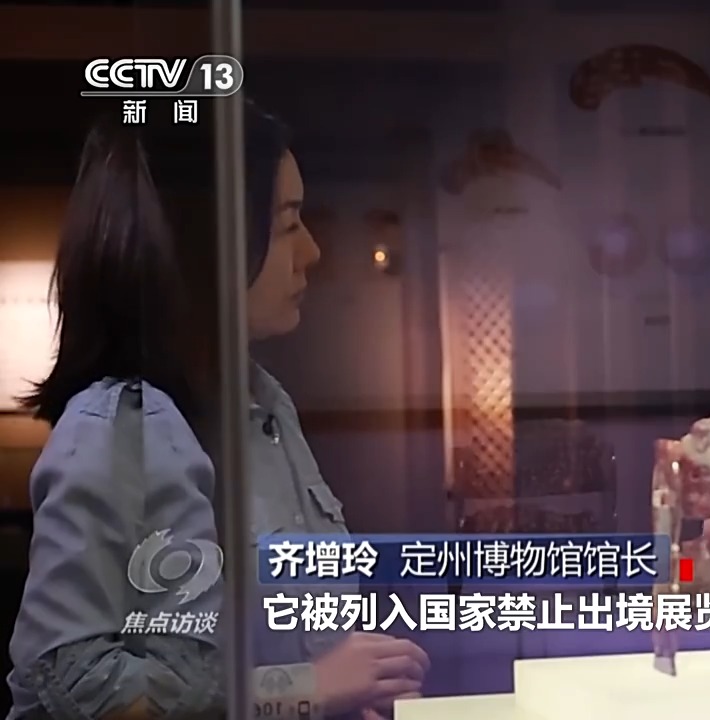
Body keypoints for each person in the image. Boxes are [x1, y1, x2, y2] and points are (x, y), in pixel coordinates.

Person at [7, 102, 428, 719]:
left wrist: (352, 692)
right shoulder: (117, 431)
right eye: (287, 224)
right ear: (207, 242)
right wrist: (308, 687)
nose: (312, 250)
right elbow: (81, 686)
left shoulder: (267, 408)